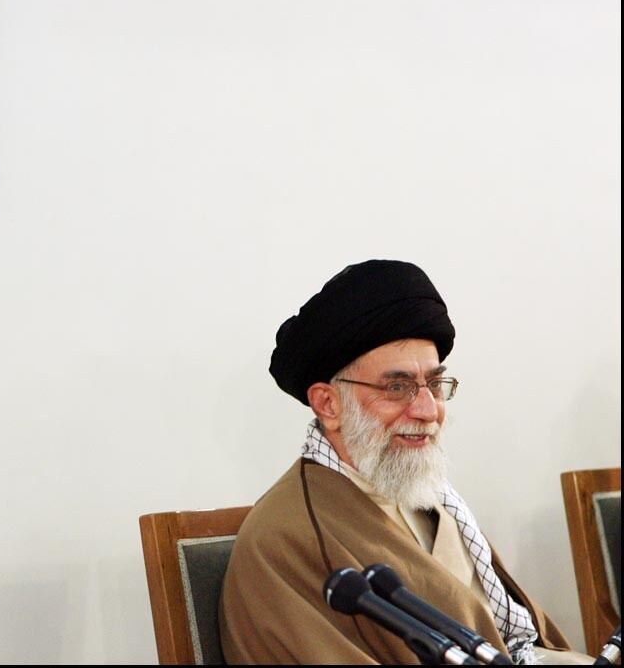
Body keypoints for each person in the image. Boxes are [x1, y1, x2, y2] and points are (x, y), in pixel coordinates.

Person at [219, 260, 587, 665]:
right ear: (328, 404)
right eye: (397, 387)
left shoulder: (426, 497)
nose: (428, 410)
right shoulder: (286, 538)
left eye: (434, 384)